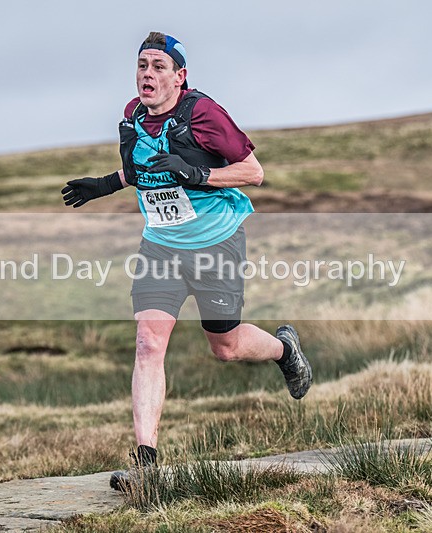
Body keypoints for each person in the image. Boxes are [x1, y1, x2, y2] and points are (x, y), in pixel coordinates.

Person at [61, 31, 312, 491]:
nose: (147, 74)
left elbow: (253, 172)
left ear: (180, 76)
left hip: (217, 243)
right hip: (161, 245)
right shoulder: (132, 116)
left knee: (226, 347)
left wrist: (199, 174)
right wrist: (106, 184)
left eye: (158, 66)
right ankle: (145, 466)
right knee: (148, 343)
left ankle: (284, 349)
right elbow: (144, 169)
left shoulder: (202, 113)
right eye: (142, 65)